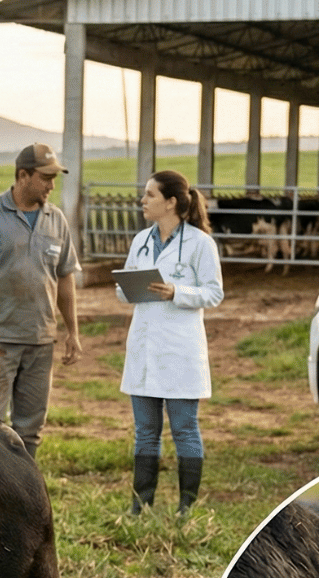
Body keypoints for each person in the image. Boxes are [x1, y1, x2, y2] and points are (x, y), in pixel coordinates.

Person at [0, 143, 82, 459]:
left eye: (54, 178)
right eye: (45, 177)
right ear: (23, 175)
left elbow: (65, 279)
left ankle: (22, 491)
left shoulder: (56, 220)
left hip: (40, 340)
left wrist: (72, 332)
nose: (52, 185)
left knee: (30, 429)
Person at [116, 169, 223, 519]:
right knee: (145, 432)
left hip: (180, 349)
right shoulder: (141, 241)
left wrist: (178, 292)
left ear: (171, 202)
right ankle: (140, 506)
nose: (143, 201)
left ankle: (186, 508)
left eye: (149, 195)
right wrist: (126, 287)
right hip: (145, 346)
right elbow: (124, 288)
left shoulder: (200, 243)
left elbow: (214, 292)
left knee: (183, 428)